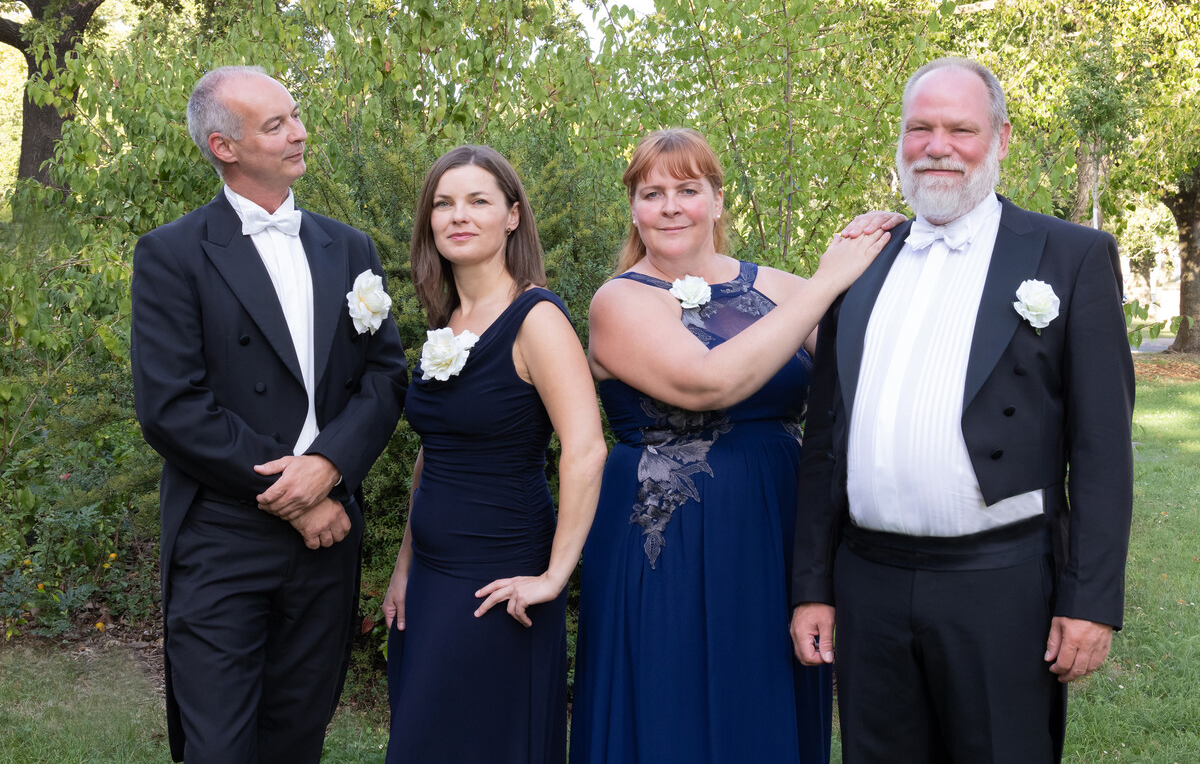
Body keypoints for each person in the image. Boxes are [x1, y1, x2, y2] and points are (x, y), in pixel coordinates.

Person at [790, 57, 1135, 763]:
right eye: (920, 128)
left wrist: (1091, 601)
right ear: (900, 141)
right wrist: (813, 587)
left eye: (960, 128)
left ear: (1001, 140)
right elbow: (825, 437)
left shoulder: (1071, 256)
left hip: (1002, 585)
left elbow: (1102, 449)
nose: (937, 146)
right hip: (869, 583)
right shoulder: (859, 258)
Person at [569, 128, 895, 763]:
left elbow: (863, 382)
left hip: (775, 525)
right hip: (667, 533)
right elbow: (710, 382)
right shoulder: (619, 301)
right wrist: (825, 285)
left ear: (718, 201)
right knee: (669, 695)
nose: (669, 206)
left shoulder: (775, 285)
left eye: (688, 190)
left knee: (761, 689)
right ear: (633, 208)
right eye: (651, 192)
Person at [130, 65, 408, 764]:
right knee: (218, 747)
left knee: (295, 739)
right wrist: (292, 494)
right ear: (225, 146)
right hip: (223, 536)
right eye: (276, 124)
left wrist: (329, 468)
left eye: (295, 116)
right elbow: (171, 406)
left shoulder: (349, 248)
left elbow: (385, 375)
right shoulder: (172, 253)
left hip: (328, 535)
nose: (299, 132)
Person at [382, 145, 607, 763]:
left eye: (478, 201)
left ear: (512, 216)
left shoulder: (537, 319)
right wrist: (404, 567)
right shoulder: (446, 318)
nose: (459, 215)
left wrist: (555, 578)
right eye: (444, 203)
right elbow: (433, 457)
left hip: (498, 577)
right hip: (430, 577)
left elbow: (585, 451)